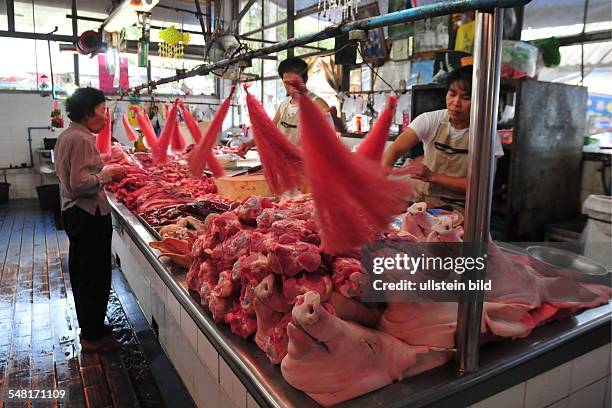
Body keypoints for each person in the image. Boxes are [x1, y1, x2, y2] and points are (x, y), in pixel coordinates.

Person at [54, 87, 126, 353]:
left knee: (85, 271)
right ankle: (93, 338)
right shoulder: (83, 139)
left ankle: (91, 325)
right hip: (87, 214)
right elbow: (79, 183)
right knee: (94, 275)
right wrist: (108, 175)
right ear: (87, 113)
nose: (106, 118)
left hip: (74, 213)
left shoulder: (68, 135)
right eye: (102, 111)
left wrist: (101, 167)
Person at [382, 65, 504, 211]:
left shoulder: (485, 134)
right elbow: (394, 150)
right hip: (423, 204)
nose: (456, 103)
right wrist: (378, 184)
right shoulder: (430, 120)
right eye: (452, 94)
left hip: (463, 209)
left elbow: (481, 185)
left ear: (480, 101)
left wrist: (432, 176)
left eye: (465, 98)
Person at [237, 57, 330, 156]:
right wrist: (249, 144)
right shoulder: (285, 104)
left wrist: (332, 116)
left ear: (305, 79)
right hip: (286, 162)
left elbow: (329, 132)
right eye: (287, 83)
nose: (291, 87)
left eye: (295, 82)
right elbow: (270, 131)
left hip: (307, 165)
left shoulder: (317, 104)